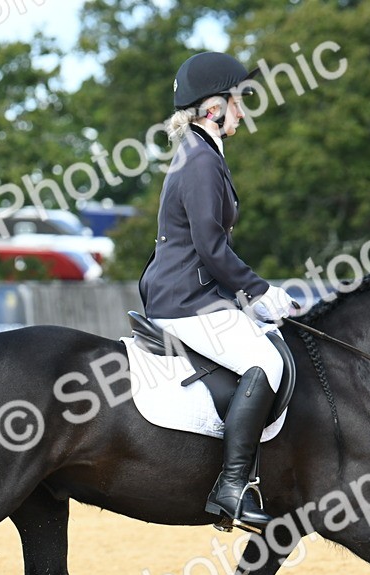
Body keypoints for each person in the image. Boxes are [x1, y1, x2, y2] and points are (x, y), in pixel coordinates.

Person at [138, 51, 298, 528]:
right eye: (237, 101)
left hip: (194, 293)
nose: (242, 112)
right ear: (213, 108)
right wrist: (259, 290)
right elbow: (210, 246)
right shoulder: (200, 162)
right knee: (265, 362)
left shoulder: (200, 154)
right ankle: (231, 488)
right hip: (187, 299)